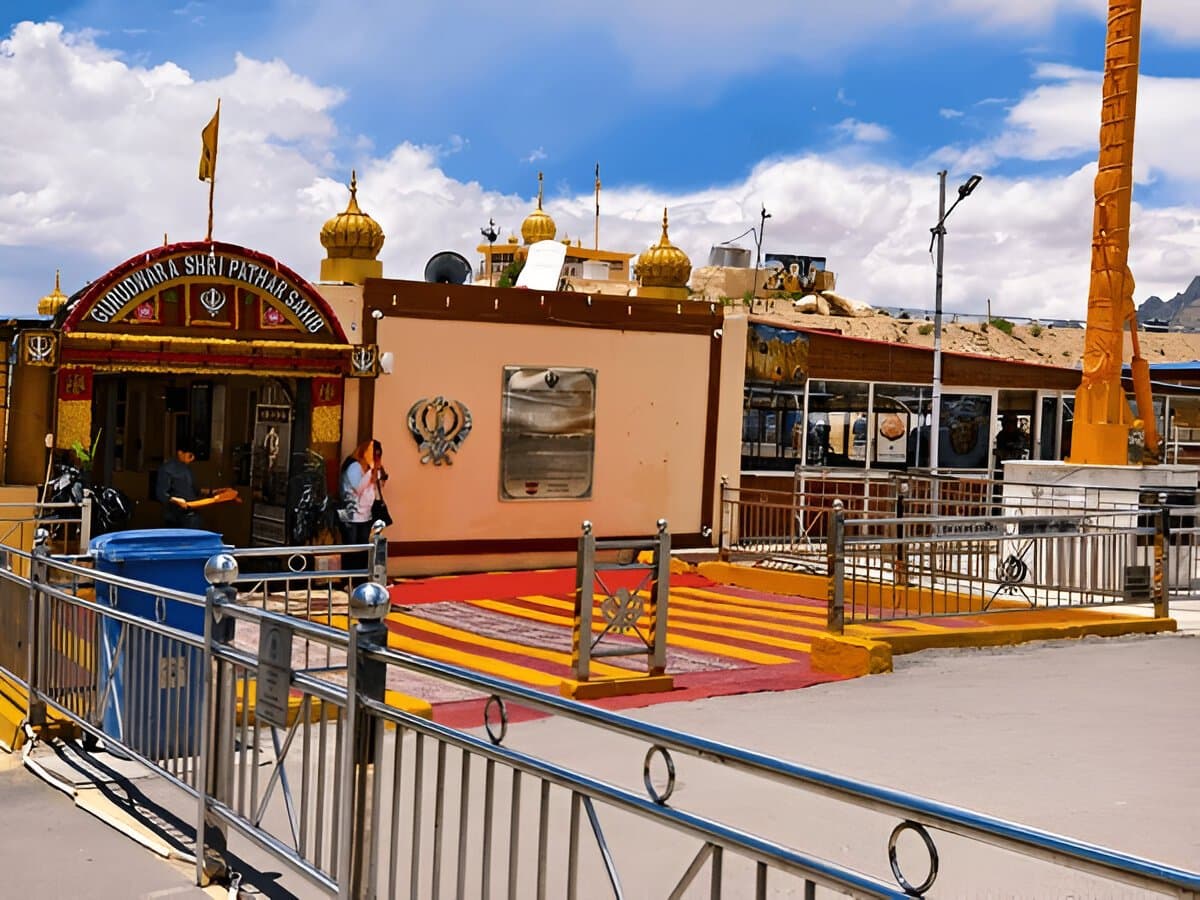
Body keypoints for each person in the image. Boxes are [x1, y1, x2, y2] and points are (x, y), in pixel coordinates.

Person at [156, 438, 237, 528]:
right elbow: (161, 494)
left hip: (192, 514)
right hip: (174, 515)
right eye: (190, 456)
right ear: (180, 453)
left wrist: (214, 492)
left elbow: (195, 490)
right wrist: (176, 500)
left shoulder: (187, 469)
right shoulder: (167, 469)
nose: (192, 459)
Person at [339, 440, 387, 569]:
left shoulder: (370, 470)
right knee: (351, 550)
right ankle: (348, 579)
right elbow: (358, 488)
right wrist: (370, 472)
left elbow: (375, 489)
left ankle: (360, 578)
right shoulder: (354, 466)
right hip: (350, 514)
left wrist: (378, 473)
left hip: (365, 514)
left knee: (363, 549)